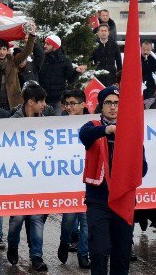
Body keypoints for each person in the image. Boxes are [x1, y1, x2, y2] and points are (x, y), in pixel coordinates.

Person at [79, 86, 148, 275]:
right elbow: (84, 136)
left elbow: (142, 168)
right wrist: (107, 130)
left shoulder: (131, 133)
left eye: (117, 103)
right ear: (102, 105)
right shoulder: (93, 126)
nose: (113, 107)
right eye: (108, 103)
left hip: (123, 200)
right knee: (100, 251)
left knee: (122, 253)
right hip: (98, 201)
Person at [7, 84, 50, 271]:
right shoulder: (12, 122)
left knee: (36, 219)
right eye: (41, 102)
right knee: (17, 219)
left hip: (38, 181)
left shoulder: (45, 123)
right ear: (31, 102)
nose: (45, 105)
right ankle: (13, 245)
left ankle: (36, 256)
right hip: (18, 181)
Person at [57, 90, 90, 269]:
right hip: (68, 179)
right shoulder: (60, 123)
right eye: (67, 104)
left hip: (88, 179)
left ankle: (83, 255)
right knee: (69, 220)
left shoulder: (93, 122)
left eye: (73, 103)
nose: (69, 107)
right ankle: (64, 241)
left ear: (83, 104)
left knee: (86, 221)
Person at [0, 30, 37, 111]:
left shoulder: (14, 62)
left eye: (4, 49)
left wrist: (32, 35)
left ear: (7, 50)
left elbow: (27, 51)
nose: (2, 52)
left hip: (12, 102)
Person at [38, 35, 87, 112]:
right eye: (45, 43)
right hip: (42, 99)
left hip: (57, 100)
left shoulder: (65, 60)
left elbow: (71, 80)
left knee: (57, 122)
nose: (45, 46)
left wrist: (76, 72)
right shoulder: (42, 58)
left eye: (48, 44)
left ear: (54, 46)